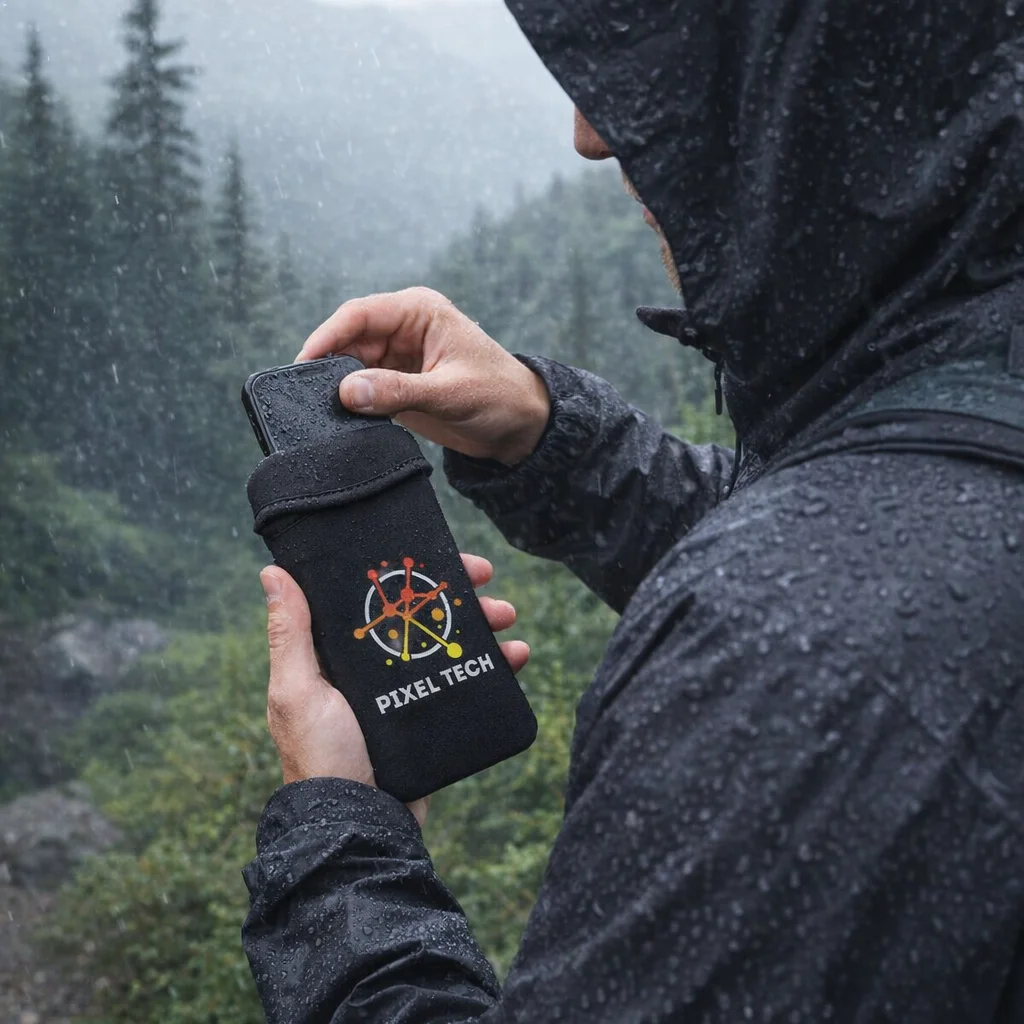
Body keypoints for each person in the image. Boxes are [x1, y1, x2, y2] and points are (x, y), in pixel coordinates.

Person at [241, 1, 1024, 1020]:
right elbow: (916, 537)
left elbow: (854, 603)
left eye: (661, 48)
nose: (589, 133)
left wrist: (338, 840)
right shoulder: (972, 386)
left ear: (814, 71)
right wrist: (550, 440)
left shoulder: (788, 671)